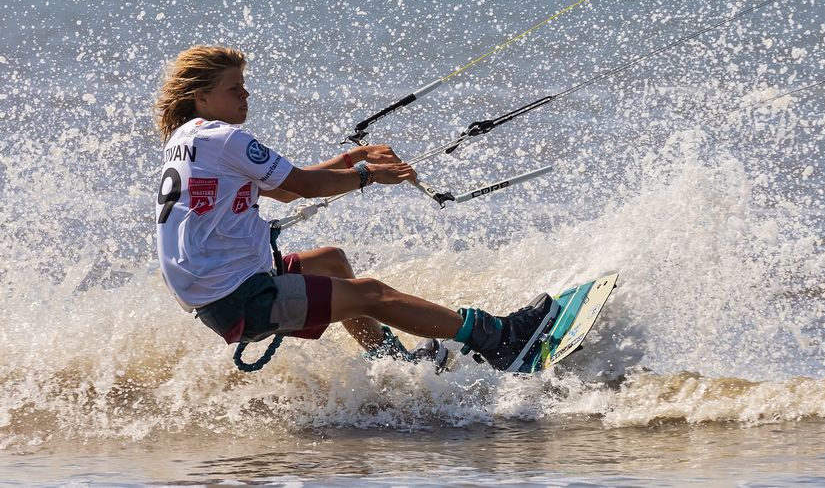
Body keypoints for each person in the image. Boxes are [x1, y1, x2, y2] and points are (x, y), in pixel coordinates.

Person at [154, 45, 555, 372]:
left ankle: (393, 365)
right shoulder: (226, 138)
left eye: (244, 86)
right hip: (240, 296)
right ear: (201, 97)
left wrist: (352, 159)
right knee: (371, 293)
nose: (245, 96)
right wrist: (368, 174)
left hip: (216, 292)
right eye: (233, 89)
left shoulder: (187, 140)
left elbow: (285, 190)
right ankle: (500, 339)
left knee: (330, 260)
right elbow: (304, 186)